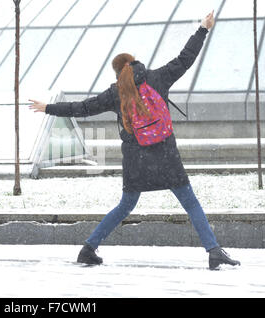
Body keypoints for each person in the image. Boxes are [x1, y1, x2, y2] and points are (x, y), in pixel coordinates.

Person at [29, 11, 240, 270]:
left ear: (118, 72)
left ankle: (89, 248)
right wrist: (203, 29)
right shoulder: (157, 78)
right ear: (136, 63)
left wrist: (48, 107)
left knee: (126, 205)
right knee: (190, 202)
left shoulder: (115, 93)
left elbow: (82, 108)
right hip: (165, 154)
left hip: (135, 158)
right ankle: (213, 250)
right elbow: (186, 58)